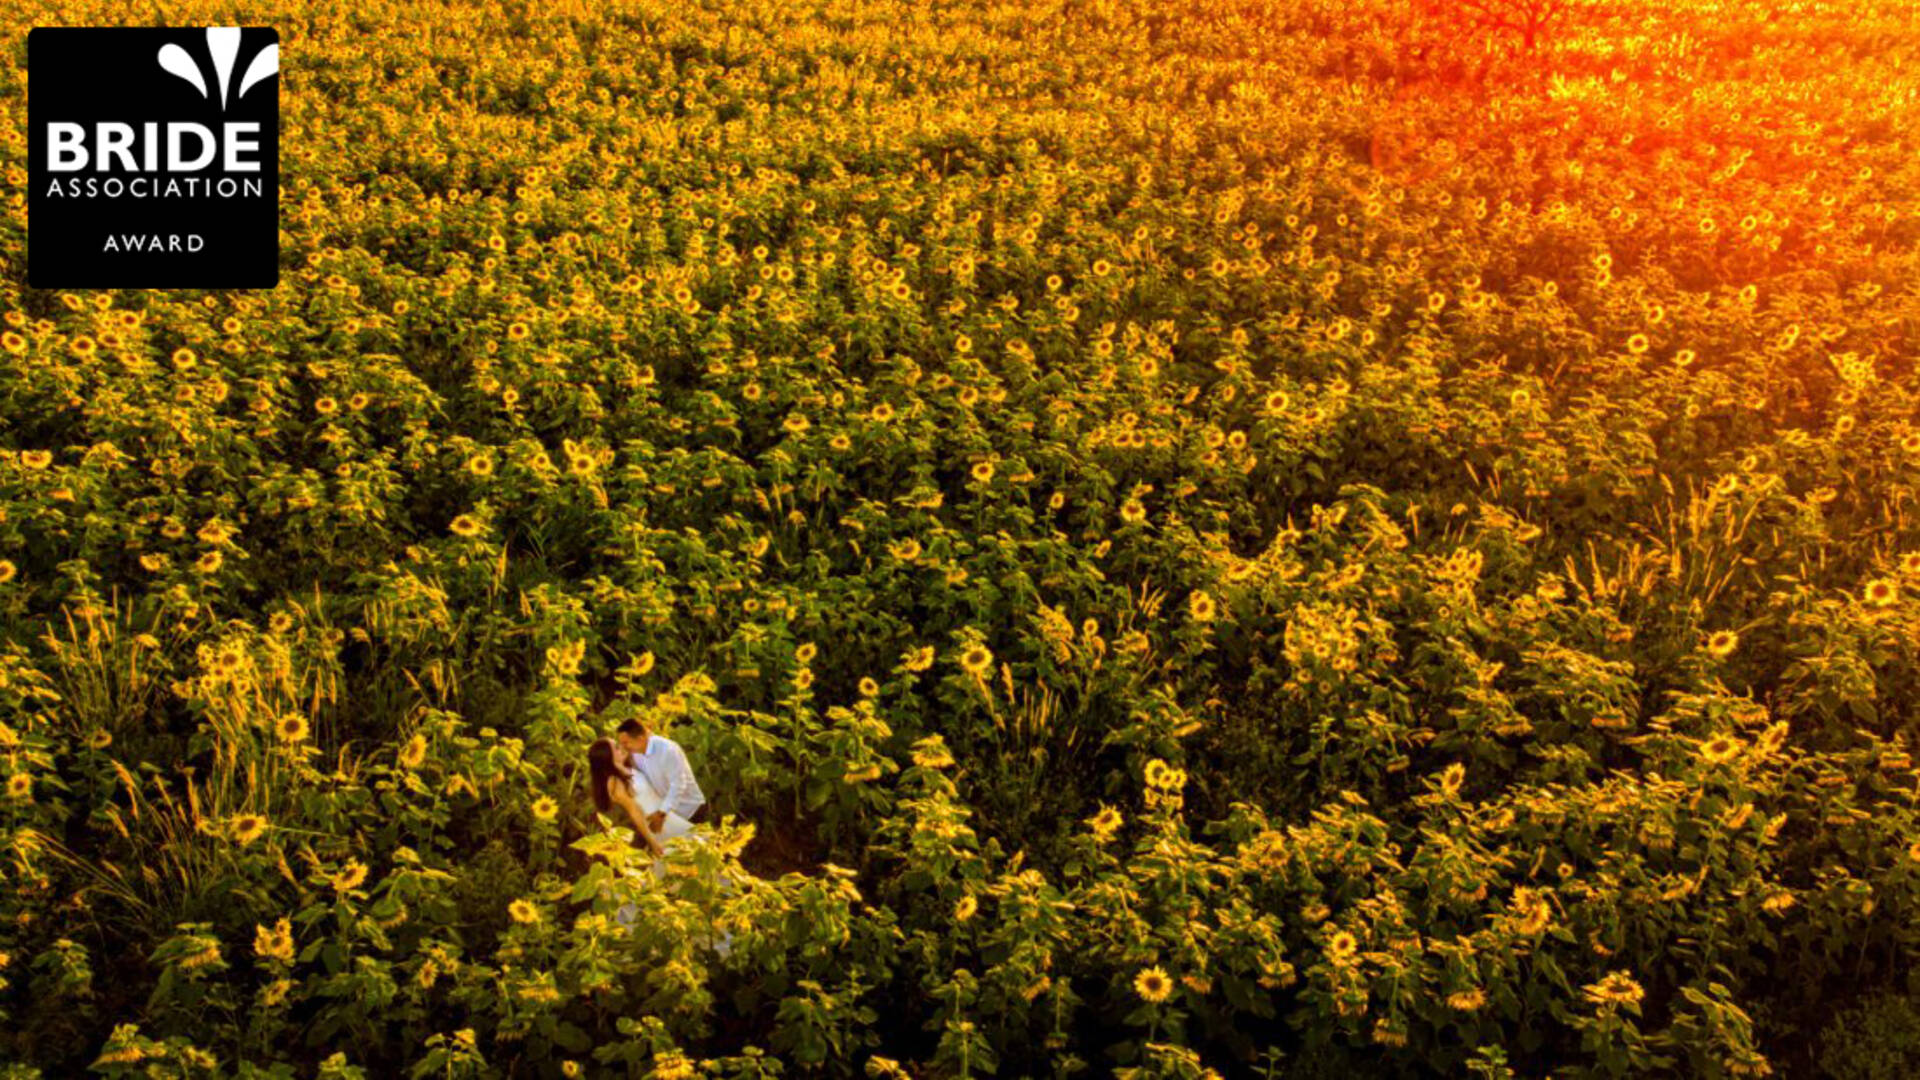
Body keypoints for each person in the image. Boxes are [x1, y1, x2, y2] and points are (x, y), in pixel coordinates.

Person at [614, 718, 708, 835]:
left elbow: (678, 785)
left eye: (626, 742)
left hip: (690, 809)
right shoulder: (635, 753)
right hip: (669, 814)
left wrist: (661, 814)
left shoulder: (667, 750)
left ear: (640, 738)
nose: (623, 747)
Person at [586, 737, 668, 859]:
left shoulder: (628, 769)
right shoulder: (614, 782)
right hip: (657, 828)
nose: (622, 748)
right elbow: (634, 811)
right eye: (617, 748)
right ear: (607, 757)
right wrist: (652, 841)